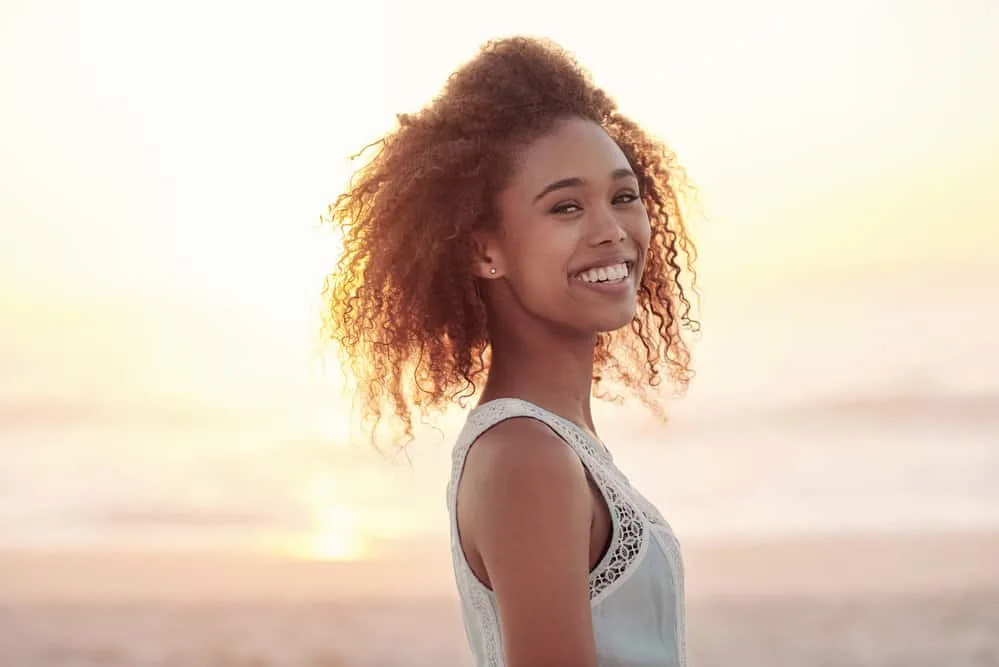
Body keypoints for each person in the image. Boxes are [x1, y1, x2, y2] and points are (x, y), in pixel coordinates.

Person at [324, 35, 698, 667]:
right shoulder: (527, 455)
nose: (612, 230)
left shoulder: (552, 440)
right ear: (484, 251)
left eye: (624, 195)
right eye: (566, 206)